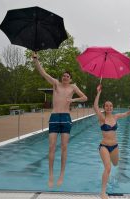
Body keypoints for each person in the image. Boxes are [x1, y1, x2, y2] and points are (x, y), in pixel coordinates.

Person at [32, 52, 88, 188]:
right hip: (55, 117)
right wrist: (36, 61)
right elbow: (44, 73)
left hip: (66, 118)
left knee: (64, 147)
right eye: (64, 76)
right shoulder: (56, 84)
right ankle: (51, 175)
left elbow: (85, 97)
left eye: (67, 76)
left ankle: (61, 174)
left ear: (70, 78)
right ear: (61, 77)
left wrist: (73, 99)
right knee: (51, 147)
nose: (65, 77)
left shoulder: (73, 87)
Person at [93, 84, 130, 199]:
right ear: (104, 107)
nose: (109, 107)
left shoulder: (116, 117)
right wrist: (98, 92)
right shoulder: (102, 118)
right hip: (104, 146)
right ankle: (103, 192)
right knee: (108, 167)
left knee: (116, 163)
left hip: (115, 146)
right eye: (106, 106)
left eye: (110, 106)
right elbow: (95, 106)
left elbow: (126, 114)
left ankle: (109, 173)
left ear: (112, 107)